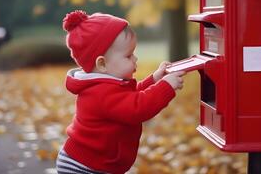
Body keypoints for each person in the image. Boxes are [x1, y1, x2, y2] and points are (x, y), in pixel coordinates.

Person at [56, 10, 185, 174]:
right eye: (128, 55)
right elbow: (137, 108)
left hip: (96, 162)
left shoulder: (105, 84)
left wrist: (154, 79)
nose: (135, 59)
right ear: (102, 64)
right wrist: (166, 87)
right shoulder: (99, 93)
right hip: (84, 166)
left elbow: (130, 97)